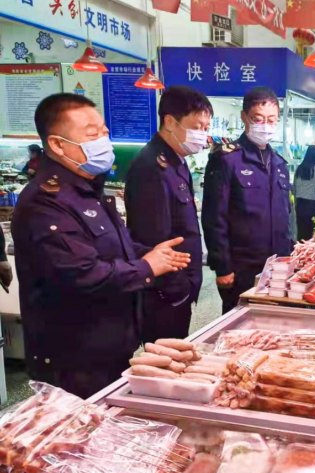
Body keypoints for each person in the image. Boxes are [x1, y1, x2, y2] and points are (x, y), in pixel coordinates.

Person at [12, 93, 190, 399]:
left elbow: (113, 247)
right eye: (92, 134)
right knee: (78, 440)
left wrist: (149, 254)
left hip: (109, 347)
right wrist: (147, 267)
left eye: (104, 130)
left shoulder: (87, 190)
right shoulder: (46, 203)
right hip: (73, 359)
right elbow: (82, 274)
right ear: (57, 145)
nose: (104, 138)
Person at [125, 86, 212, 342]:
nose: (202, 135)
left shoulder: (176, 161)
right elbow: (152, 239)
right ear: (170, 122)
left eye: (206, 128)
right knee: (163, 361)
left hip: (179, 287)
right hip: (165, 291)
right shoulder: (151, 166)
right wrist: (177, 289)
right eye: (197, 126)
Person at [202, 87, 292, 315]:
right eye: (258, 119)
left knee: (274, 324)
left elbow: (286, 214)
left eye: (272, 120)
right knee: (238, 327)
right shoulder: (227, 159)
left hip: (277, 266)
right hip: (242, 266)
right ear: (244, 117)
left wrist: (291, 257)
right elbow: (214, 217)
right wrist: (222, 266)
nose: (266, 125)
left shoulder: (280, 164)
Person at [294, 145, 315, 241]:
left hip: (300, 204)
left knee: (301, 232)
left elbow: (295, 187)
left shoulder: (299, 168)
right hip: (313, 206)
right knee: (313, 234)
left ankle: (300, 251)